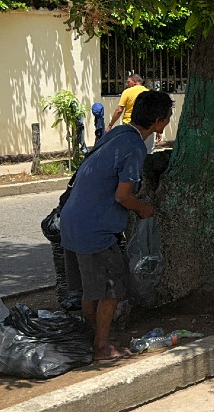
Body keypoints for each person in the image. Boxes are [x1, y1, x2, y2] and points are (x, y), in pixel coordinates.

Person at [61, 91, 173, 360]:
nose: (168, 121)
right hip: (95, 229)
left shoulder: (117, 133)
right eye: (167, 118)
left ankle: (92, 339)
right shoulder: (134, 148)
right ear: (158, 121)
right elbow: (122, 196)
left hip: (73, 220)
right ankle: (101, 347)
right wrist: (145, 209)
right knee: (111, 289)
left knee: (92, 288)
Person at [107, 74, 162, 153]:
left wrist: (110, 125)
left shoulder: (127, 92)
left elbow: (119, 110)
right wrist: (158, 130)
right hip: (148, 126)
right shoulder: (149, 93)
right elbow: (155, 112)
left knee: (129, 152)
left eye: (129, 82)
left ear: (135, 82)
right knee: (148, 152)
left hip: (130, 125)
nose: (127, 84)